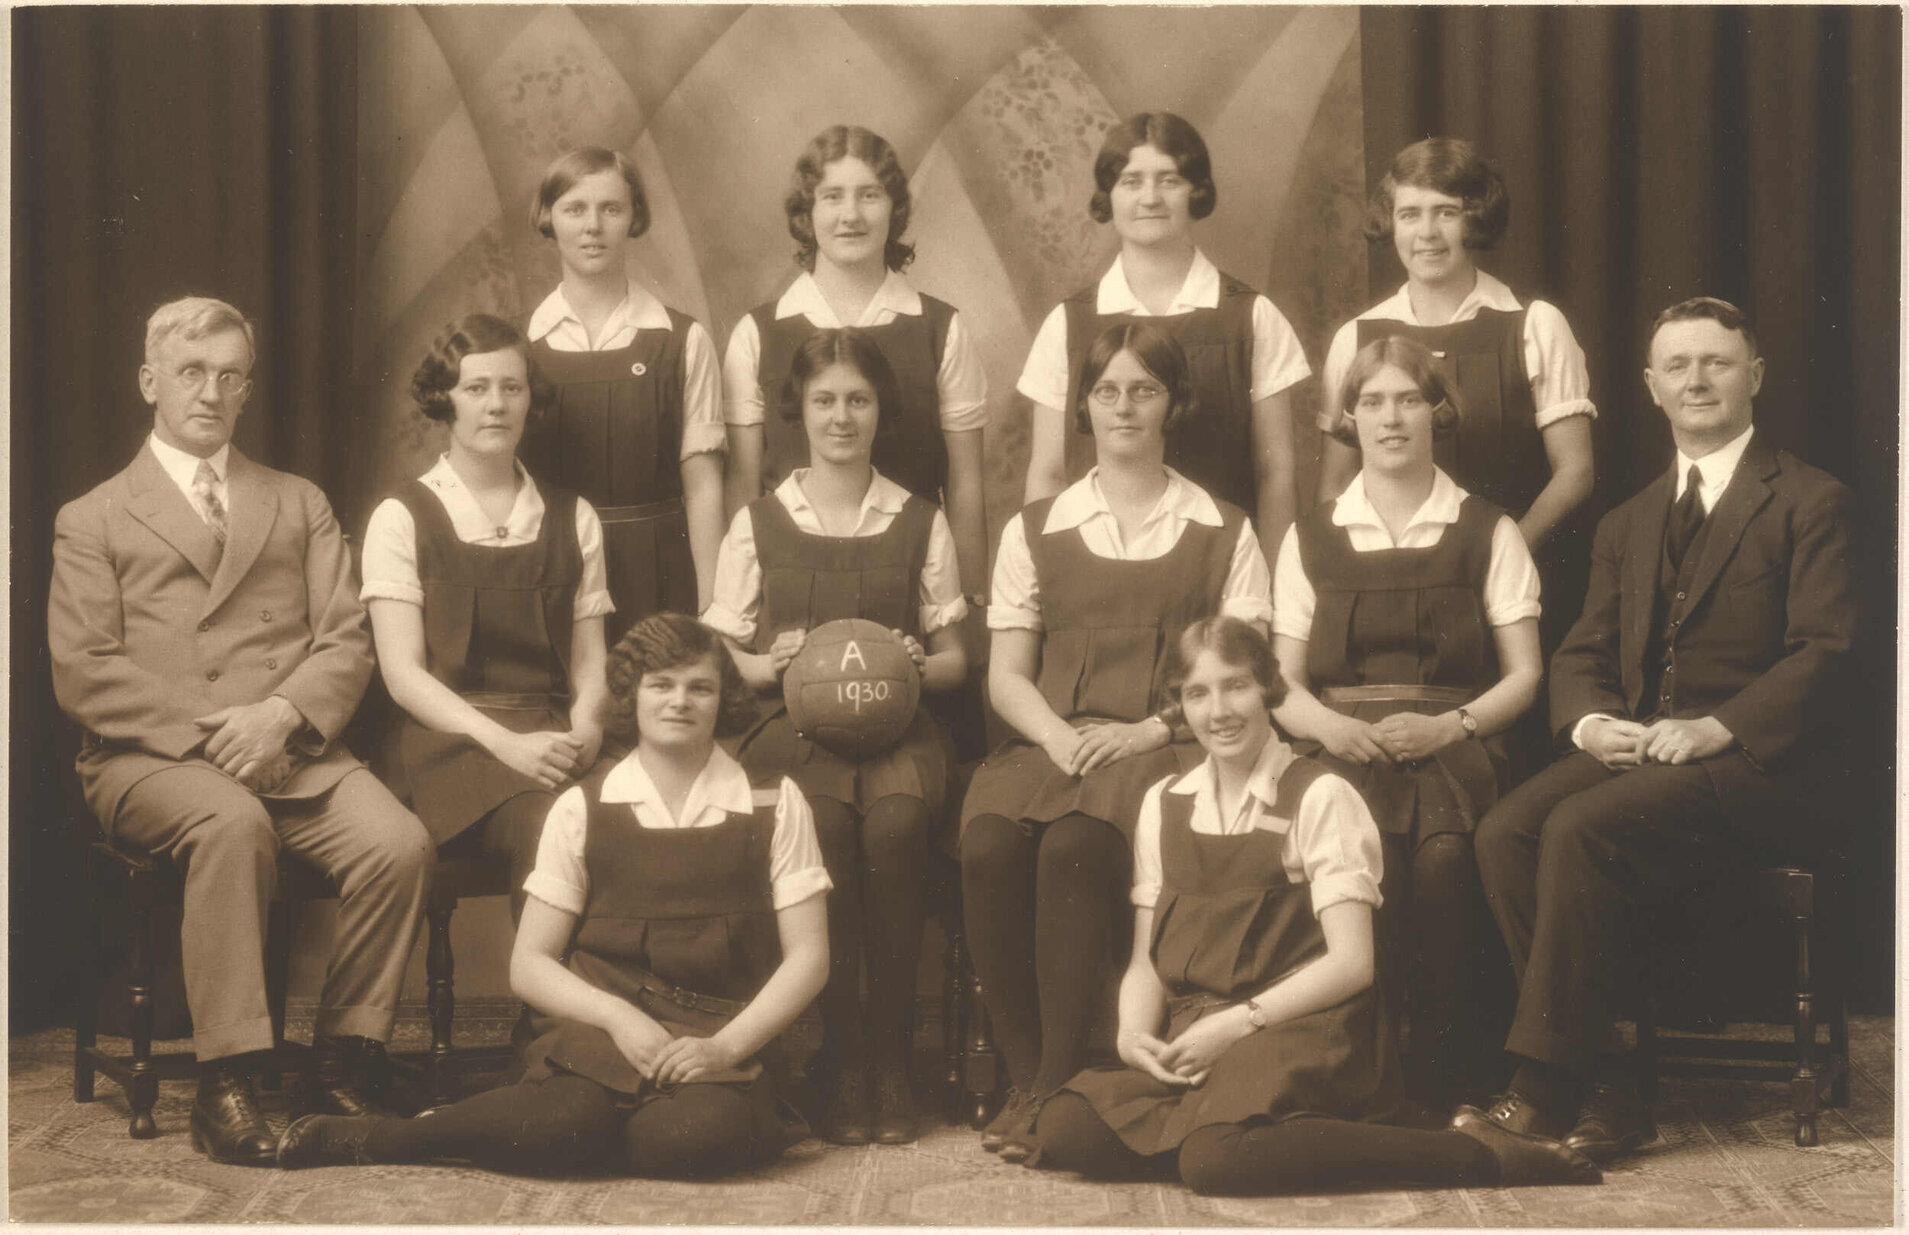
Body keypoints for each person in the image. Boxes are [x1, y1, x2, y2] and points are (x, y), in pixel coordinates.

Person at [1466, 298, 1857, 1165]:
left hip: (1762, 769)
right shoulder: (1627, 520)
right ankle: (1605, 1077)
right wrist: (1592, 722)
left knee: (1578, 827)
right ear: (1649, 387)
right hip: (1647, 759)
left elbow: (1824, 653)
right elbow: (1582, 650)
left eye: (1715, 362)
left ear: (1752, 376)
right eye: (1676, 366)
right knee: (1503, 831)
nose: (1695, 380)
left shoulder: (1808, 499)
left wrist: (1718, 726)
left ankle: (1542, 1090)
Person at [48, 296, 432, 1164]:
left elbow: (345, 634)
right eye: (190, 371)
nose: (210, 391)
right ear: (150, 381)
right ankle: (229, 1080)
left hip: (290, 746)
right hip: (147, 759)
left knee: (398, 844)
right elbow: (83, 667)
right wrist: (216, 738)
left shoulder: (296, 501)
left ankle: (342, 1059)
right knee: (231, 822)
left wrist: (283, 716)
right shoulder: (95, 515)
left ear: (248, 389)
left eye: (229, 375)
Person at [1024, 618, 1597, 1194]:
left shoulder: (1319, 793)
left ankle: (1469, 1153)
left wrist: (1237, 1025)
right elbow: (1146, 961)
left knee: (1215, 1161)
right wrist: (1130, 1034)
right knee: (1066, 1125)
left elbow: (1353, 965)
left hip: (1309, 1033)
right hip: (1204, 1034)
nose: (1219, 710)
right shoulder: (1165, 802)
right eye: (1198, 693)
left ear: (1270, 691)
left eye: (1237, 686)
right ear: (1179, 706)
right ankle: (1258, 1138)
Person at [278, 613, 831, 1178]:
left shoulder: (774, 803)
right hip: (600, 1031)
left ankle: (580, 1135)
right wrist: (618, 1019)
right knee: (566, 1119)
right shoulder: (582, 808)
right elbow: (531, 965)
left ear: (724, 700)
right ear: (630, 697)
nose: (679, 702)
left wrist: (726, 1048)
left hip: (716, 1037)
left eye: (700, 687)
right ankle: (394, 1137)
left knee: (692, 1138)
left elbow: (809, 958)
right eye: (660, 685)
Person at [960, 321, 1273, 1159]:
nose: (1124, 406)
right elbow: (1006, 677)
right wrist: (1059, 738)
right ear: (1083, 404)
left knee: (1074, 843)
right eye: (1107, 390)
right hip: (1052, 742)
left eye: (1144, 389)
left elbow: (1240, 680)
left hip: (1166, 747)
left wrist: (1147, 728)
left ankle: (1063, 1077)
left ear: (1174, 403)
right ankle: (1027, 1074)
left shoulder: (1221, 527)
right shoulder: (1035, 527)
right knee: (986, 842)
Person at [704, 328, 968, 1145]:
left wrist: (922, 663)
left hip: (898, 730)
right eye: (824, 400)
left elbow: (960, 658)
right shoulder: (758, 521)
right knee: (817, 827)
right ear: (799, 411)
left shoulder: (920, 518)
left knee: (892, 825)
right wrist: (763, 661)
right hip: (793, 730)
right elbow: (723, 653)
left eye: (857, 399)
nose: (841, 416)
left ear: (881, 409)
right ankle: (838, 1058)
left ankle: (891, 1061)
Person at [1271, 336, 1542, 1108]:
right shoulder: (1311, 535)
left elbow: (1524, 675)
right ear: (1348, 419)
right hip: (1339, 744)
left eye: (1408, 399)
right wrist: (1328, 728)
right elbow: (1280, 683)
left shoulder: (1487, 528)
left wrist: (1450, 726)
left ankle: (1442, 1076)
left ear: (1437, 411)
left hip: (1455, 746)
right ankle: (1355, 1072)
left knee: (1442, 861)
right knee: (1348, 867)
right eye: (1371, 401)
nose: (1390, 418)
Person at [360, 314, 610, 921]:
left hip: (554, 736)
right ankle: (550, 1013)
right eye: (476, 389)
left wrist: (587, 732)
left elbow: (589, 660)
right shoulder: (402, 515)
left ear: (530, 398)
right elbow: (403, 676)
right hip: (452, 747)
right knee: (552, 822)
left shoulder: (573, 516)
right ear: (445, 400)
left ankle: (612, 1007)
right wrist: (510, 747)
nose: (496, 405)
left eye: (512, 388)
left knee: (636, 813)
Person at [1019, 111, 1311, 562]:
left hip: (1222, 572)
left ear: (1195, 192)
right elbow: (1049, 471)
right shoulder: (1067, 323)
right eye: (1132, 181)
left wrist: (1276, 588)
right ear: (1108, 196)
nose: (1150, 198)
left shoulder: (1252, 317)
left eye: (1169, 180)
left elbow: (1275, 473)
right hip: (1093, 577)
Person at [722, 124, 989, 608]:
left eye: (869, 195)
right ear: (807, 212)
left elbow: (965, 484)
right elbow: (745, 484)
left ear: (895, 208)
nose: (851, 215)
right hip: (793, 588)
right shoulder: (758, 333)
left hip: (910, 585)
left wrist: (967, 601)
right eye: (832, 197)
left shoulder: (940, 328)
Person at [1316, 137, 1594, 563]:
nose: (1427, 233)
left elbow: (1574, 473)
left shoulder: (1535, 325)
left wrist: (1505, 555)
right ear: (1391, 223)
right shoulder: (1355, 338)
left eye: (1446, 212)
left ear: (1475, 219)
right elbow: (1335, 486)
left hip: (1514, 568)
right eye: (1410, 214)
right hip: (1388, 572)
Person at [521, 146, 726, 640]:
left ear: (634, 217)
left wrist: (715, 611)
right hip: (553, 570)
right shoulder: (520, 348)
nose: (593, 226)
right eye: (575, 209)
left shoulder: (682, 340)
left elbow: (703, 489)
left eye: (611, 208)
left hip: (659, 572)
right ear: (548, 218)